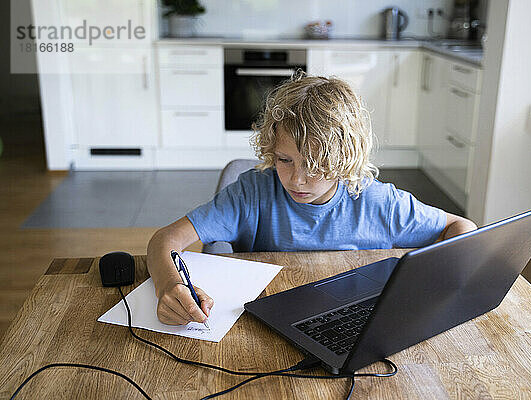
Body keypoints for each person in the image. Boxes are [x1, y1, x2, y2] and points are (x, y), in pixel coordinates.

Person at [147, 73, 477, 326]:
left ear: (346, 157)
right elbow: (166, 239)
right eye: (284, 160)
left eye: (316, 166)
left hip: (354, 321)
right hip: (265, 321)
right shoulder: (253, 194)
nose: (296, 179)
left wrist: (445, 281)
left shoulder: (380, 203)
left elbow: (459, 226)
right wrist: (169, 286)